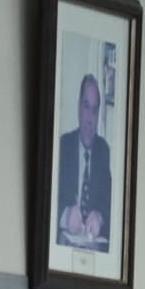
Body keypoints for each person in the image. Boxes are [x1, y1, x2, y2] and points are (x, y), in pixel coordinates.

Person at [54, 70, 114, 253]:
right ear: (78, 108)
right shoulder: (63, 145)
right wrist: (65, 216)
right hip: (64, 245)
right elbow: (48, 199)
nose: (90, 119)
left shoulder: (104, 151)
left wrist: (100, 218)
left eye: (95, 110)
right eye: (86, 106)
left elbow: (111, 205)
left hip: (92, 247)